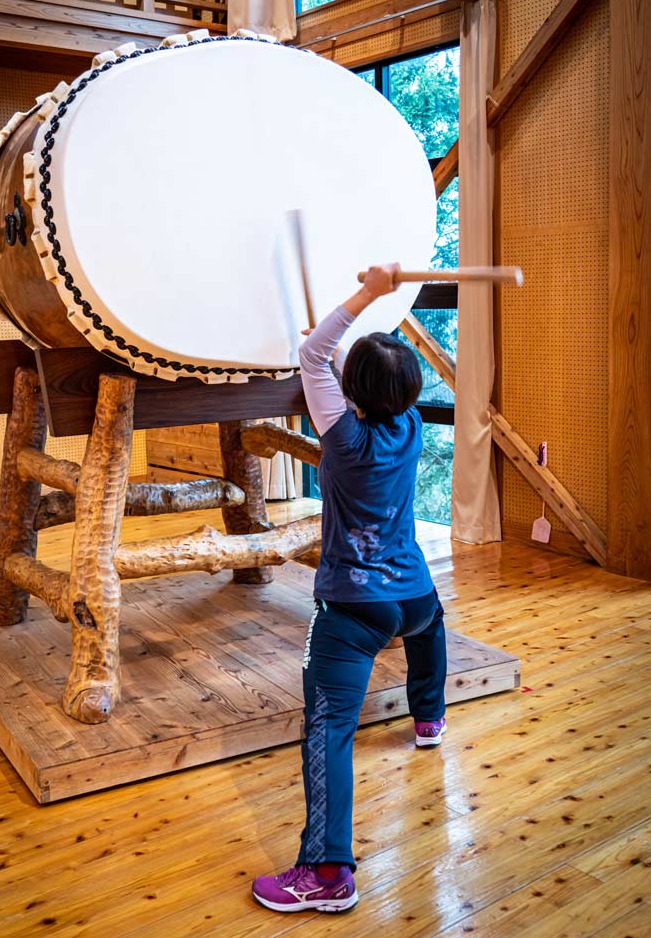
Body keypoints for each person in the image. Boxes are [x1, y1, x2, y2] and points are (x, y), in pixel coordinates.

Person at [251, 264, 447, 914]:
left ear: (351, 391)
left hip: (353, 607)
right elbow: (338, 366)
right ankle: (429, 716)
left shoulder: (343, 436)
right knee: (431, 630)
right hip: (414, 596)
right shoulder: (410, 425)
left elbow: (313, 358)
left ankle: (326, 873)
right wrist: (338, 347)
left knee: (328, 727)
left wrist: (369, 293)